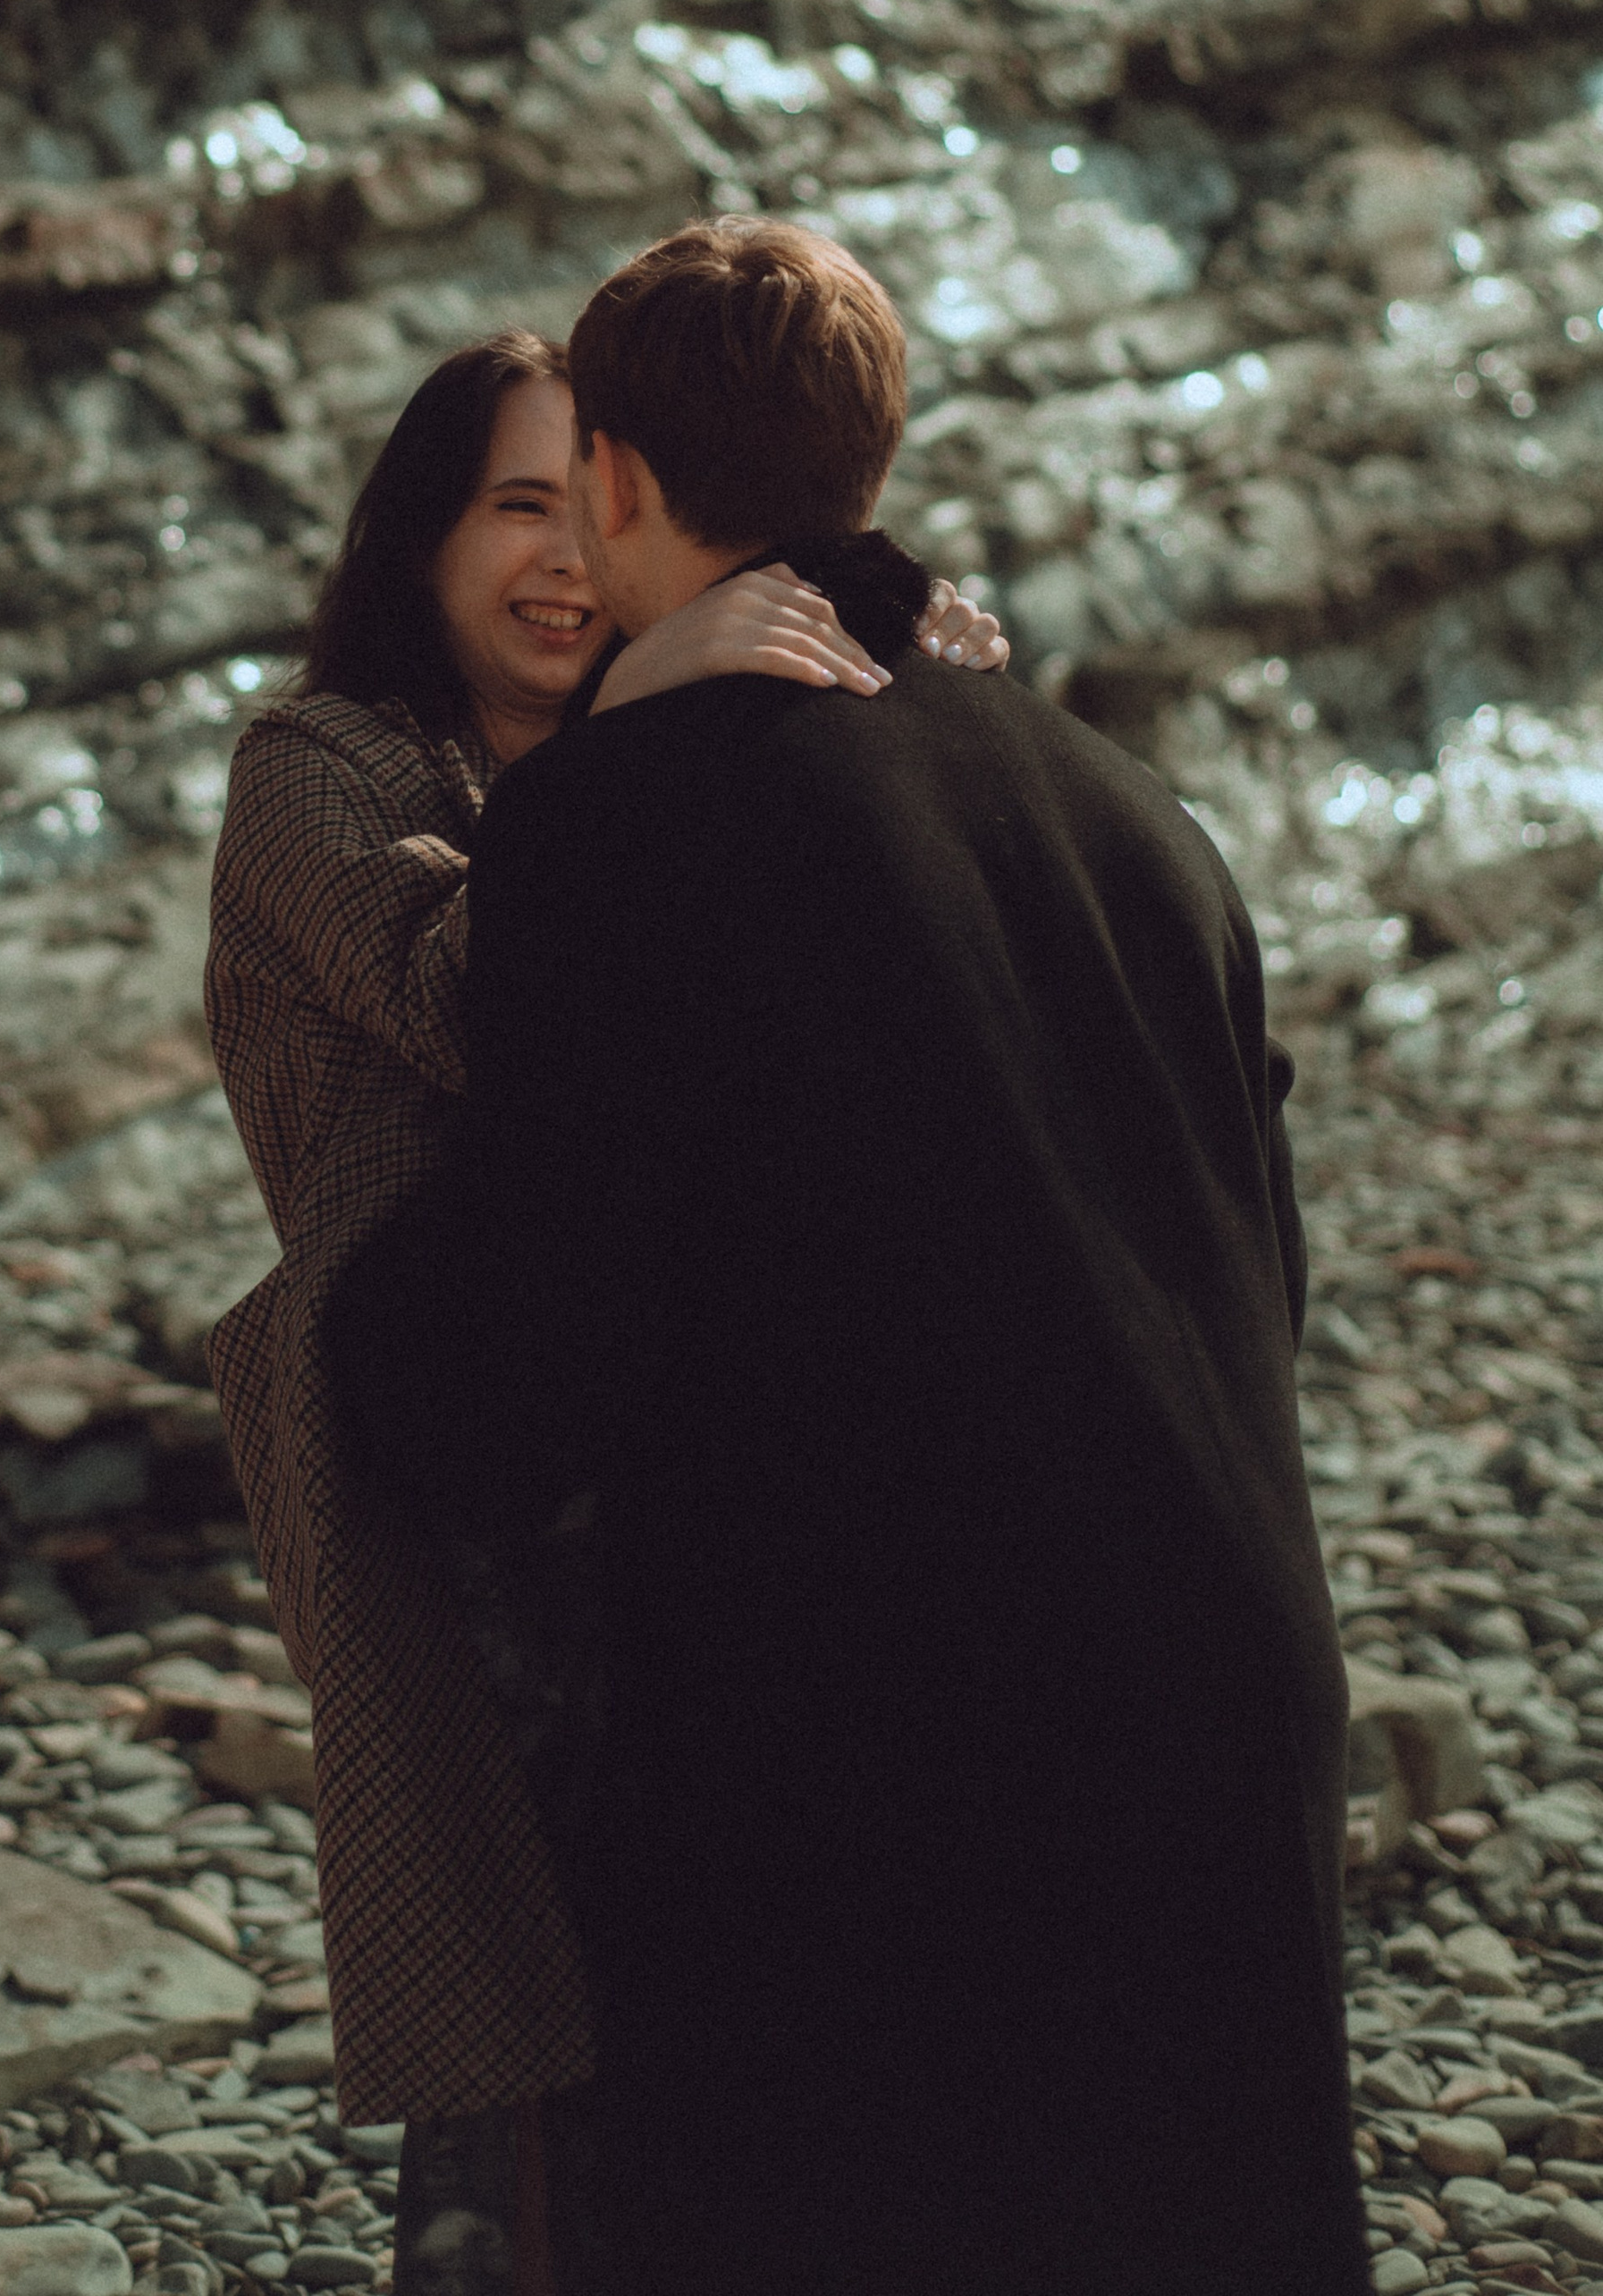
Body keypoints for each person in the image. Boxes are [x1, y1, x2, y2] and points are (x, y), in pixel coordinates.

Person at [326, 224, 1363, 2296]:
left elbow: (522, 1379)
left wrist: (347, 1318)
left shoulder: (619, 815)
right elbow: (1267, 1279)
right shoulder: (1133, 813)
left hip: (888, 1773)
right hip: (1230, 1709)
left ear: (618, 476)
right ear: (867, 459)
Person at [204, 325, 1008, 2295]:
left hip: (659, 1436)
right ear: (417, 539)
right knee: (509, 1974)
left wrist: (909, 687)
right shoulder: (317, 770)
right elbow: (468, 996)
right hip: (436, 1446)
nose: (563, 560)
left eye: (589, 510)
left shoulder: (677, 746)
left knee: (713, 1972)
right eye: (512, 508)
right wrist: (648, 710)